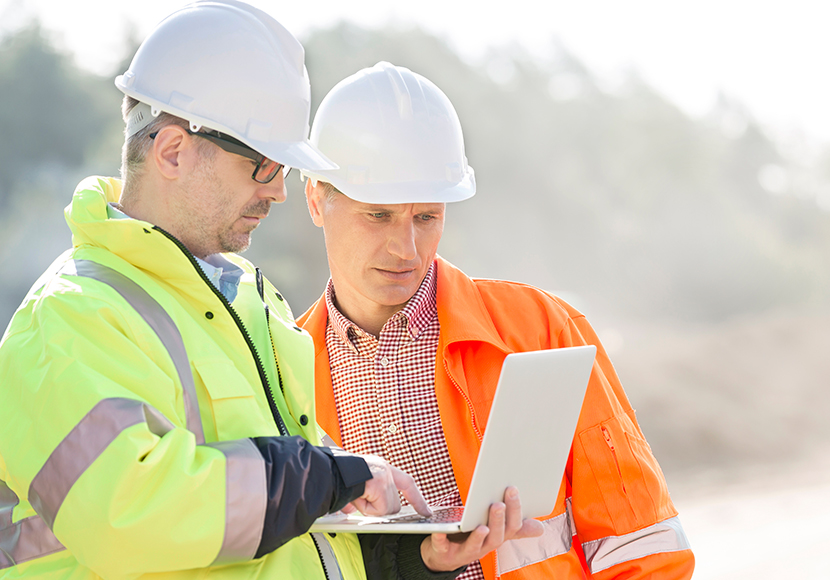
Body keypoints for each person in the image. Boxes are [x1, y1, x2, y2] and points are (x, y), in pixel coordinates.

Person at [0, 3, 502, 578]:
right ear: (172, 151)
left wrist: (412, 562)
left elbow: (287, 535)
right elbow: (125, 512)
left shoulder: (252, 305)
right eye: (263, 166)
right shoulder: (70, 317)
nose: (279, 193)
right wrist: (318, 474)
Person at [296, 62, 696, 580]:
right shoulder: (287, 369)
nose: (405, 248)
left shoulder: (539, 332)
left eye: (426, 217)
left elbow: (640, 543)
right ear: (315, 201)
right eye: (378, 215)